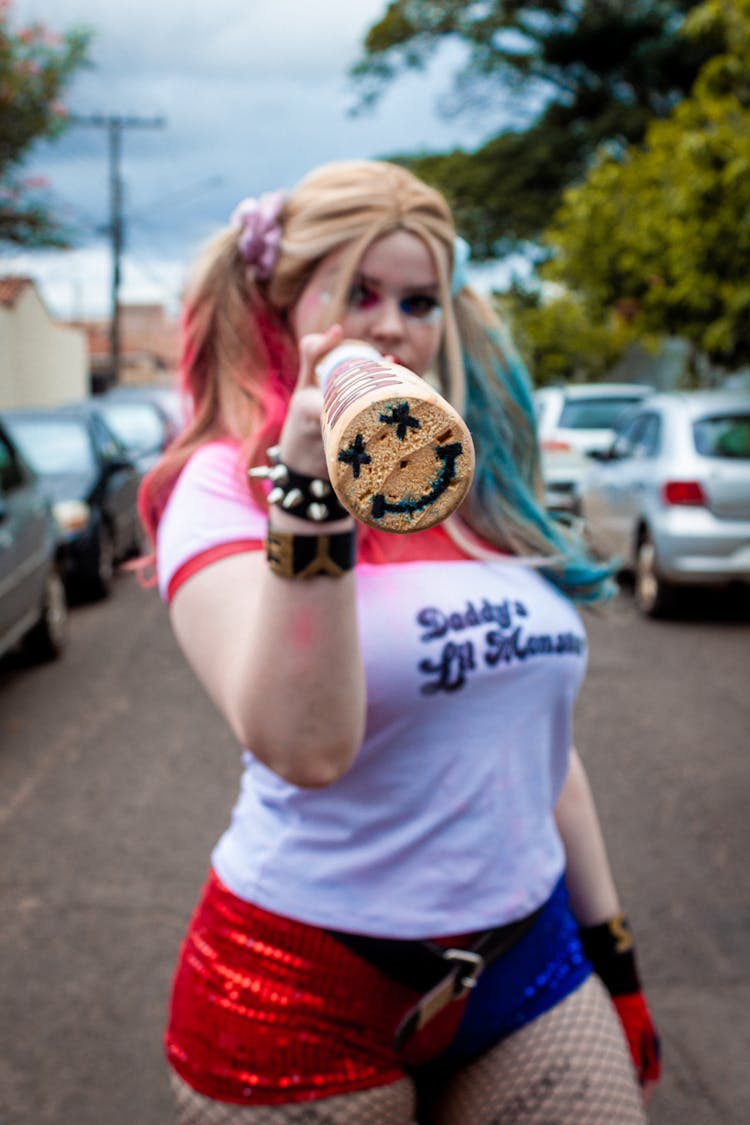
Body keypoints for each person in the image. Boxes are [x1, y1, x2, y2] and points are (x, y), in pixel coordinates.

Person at [139, 159, 661, 1124]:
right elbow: (304, 745)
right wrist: (310, 498)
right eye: (360, 293)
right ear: (281, 303)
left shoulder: (483, 485)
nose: (391, 325)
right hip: (300, 981)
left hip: (526, 960)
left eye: (419, 300)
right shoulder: (218, 487)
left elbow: (541, 750)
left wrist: (614, 954)